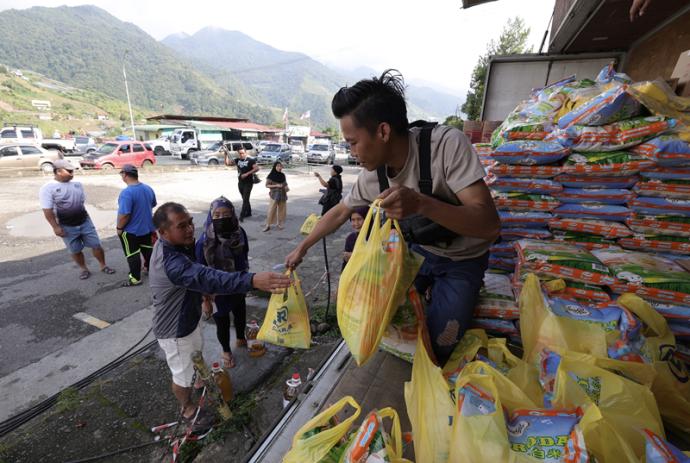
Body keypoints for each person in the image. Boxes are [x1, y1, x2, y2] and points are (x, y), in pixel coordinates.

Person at [286, 70, 500, 365]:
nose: (351, 151)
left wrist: (422, 203)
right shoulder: (372, 175)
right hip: (417, 252)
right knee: (376, 315)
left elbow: (489, 225)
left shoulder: (446, 146)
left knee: (441, 343)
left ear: (383, 132)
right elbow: (339, 212)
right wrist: (304, 246)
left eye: (352, 142)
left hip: (464, 260)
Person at [150, 202, 290, 432]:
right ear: (163, 232)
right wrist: (252, 280)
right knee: (182, 374)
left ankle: (198, 381)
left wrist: (203, 296)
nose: (189, 230)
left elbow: (198, 278)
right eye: (181, 226)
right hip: (174, 331)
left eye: (190, 223)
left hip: (189, 319)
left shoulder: (177, 246)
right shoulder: (172, 262)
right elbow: (208, 276)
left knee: (197, 353)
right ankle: (187, 408)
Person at [195, 197, 249, 369]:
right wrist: (205, 300)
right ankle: (226, 350)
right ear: (211, 216)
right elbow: (200, 274)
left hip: (238, 284)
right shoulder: (204, 241)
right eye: (217, 215)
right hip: (217, 292)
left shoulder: (240, 234)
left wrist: (247, 281)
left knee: (240, 313)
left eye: (226, 214)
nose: (221, 218)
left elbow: (243, 258)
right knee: (222, 321)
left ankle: (241, 338)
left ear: (232, 214)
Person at [39, 159, 116, 280]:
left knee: (96, 245)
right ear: (58, 171)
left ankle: (103, 265)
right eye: (69, 171)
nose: (72, 173)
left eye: (72, 170)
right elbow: (47, 210)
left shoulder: (77, 184)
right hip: (66, 226)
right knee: (75, 250)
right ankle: (84, 269)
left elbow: (81, 203)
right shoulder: (48, 188)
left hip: (85, 222)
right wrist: (55, 227)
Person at [116, 164, 157, 287]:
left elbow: (125, 214)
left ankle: (135, 279)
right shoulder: (148, 188)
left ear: (125, 175)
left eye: (122, 174)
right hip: (148, 228)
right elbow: (153, 204)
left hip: (131, 231)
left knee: (132, 254)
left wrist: (119, 228)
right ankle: (151, 270)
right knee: (148, 251)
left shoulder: (127, 193)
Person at [228, 147, 259, 222]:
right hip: (240, 183)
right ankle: (248, 212)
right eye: (240, 153)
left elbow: (257, 168)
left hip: (248, 183)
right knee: (245, 198)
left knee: (245, 199)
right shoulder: (237, 160)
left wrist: (247, 174)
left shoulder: (250, 160)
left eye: (242, 153)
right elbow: (228, 163)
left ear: (246, 152)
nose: (241, 154)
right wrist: (226, 154)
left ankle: (242, 215)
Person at [263, 161, 289, 232]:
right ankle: (268, 225)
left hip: (282, 194)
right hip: (274, 195)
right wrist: (276, 185)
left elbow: (285, 183)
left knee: (282, 210)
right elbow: (267, 185)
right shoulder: (271, 175)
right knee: (271, 210)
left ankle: (279, 224)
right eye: (278, 166)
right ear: (275, 167)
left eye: (280, 166)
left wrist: (286, 187)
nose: (279, 168)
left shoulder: (282, 175)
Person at [342, 206, 368, 270]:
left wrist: (354, 256)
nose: (356, 223)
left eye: (359, 219)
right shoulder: (350, 238)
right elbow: (346, 265)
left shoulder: (378, 237)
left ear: (368, 219)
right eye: (353, 220)